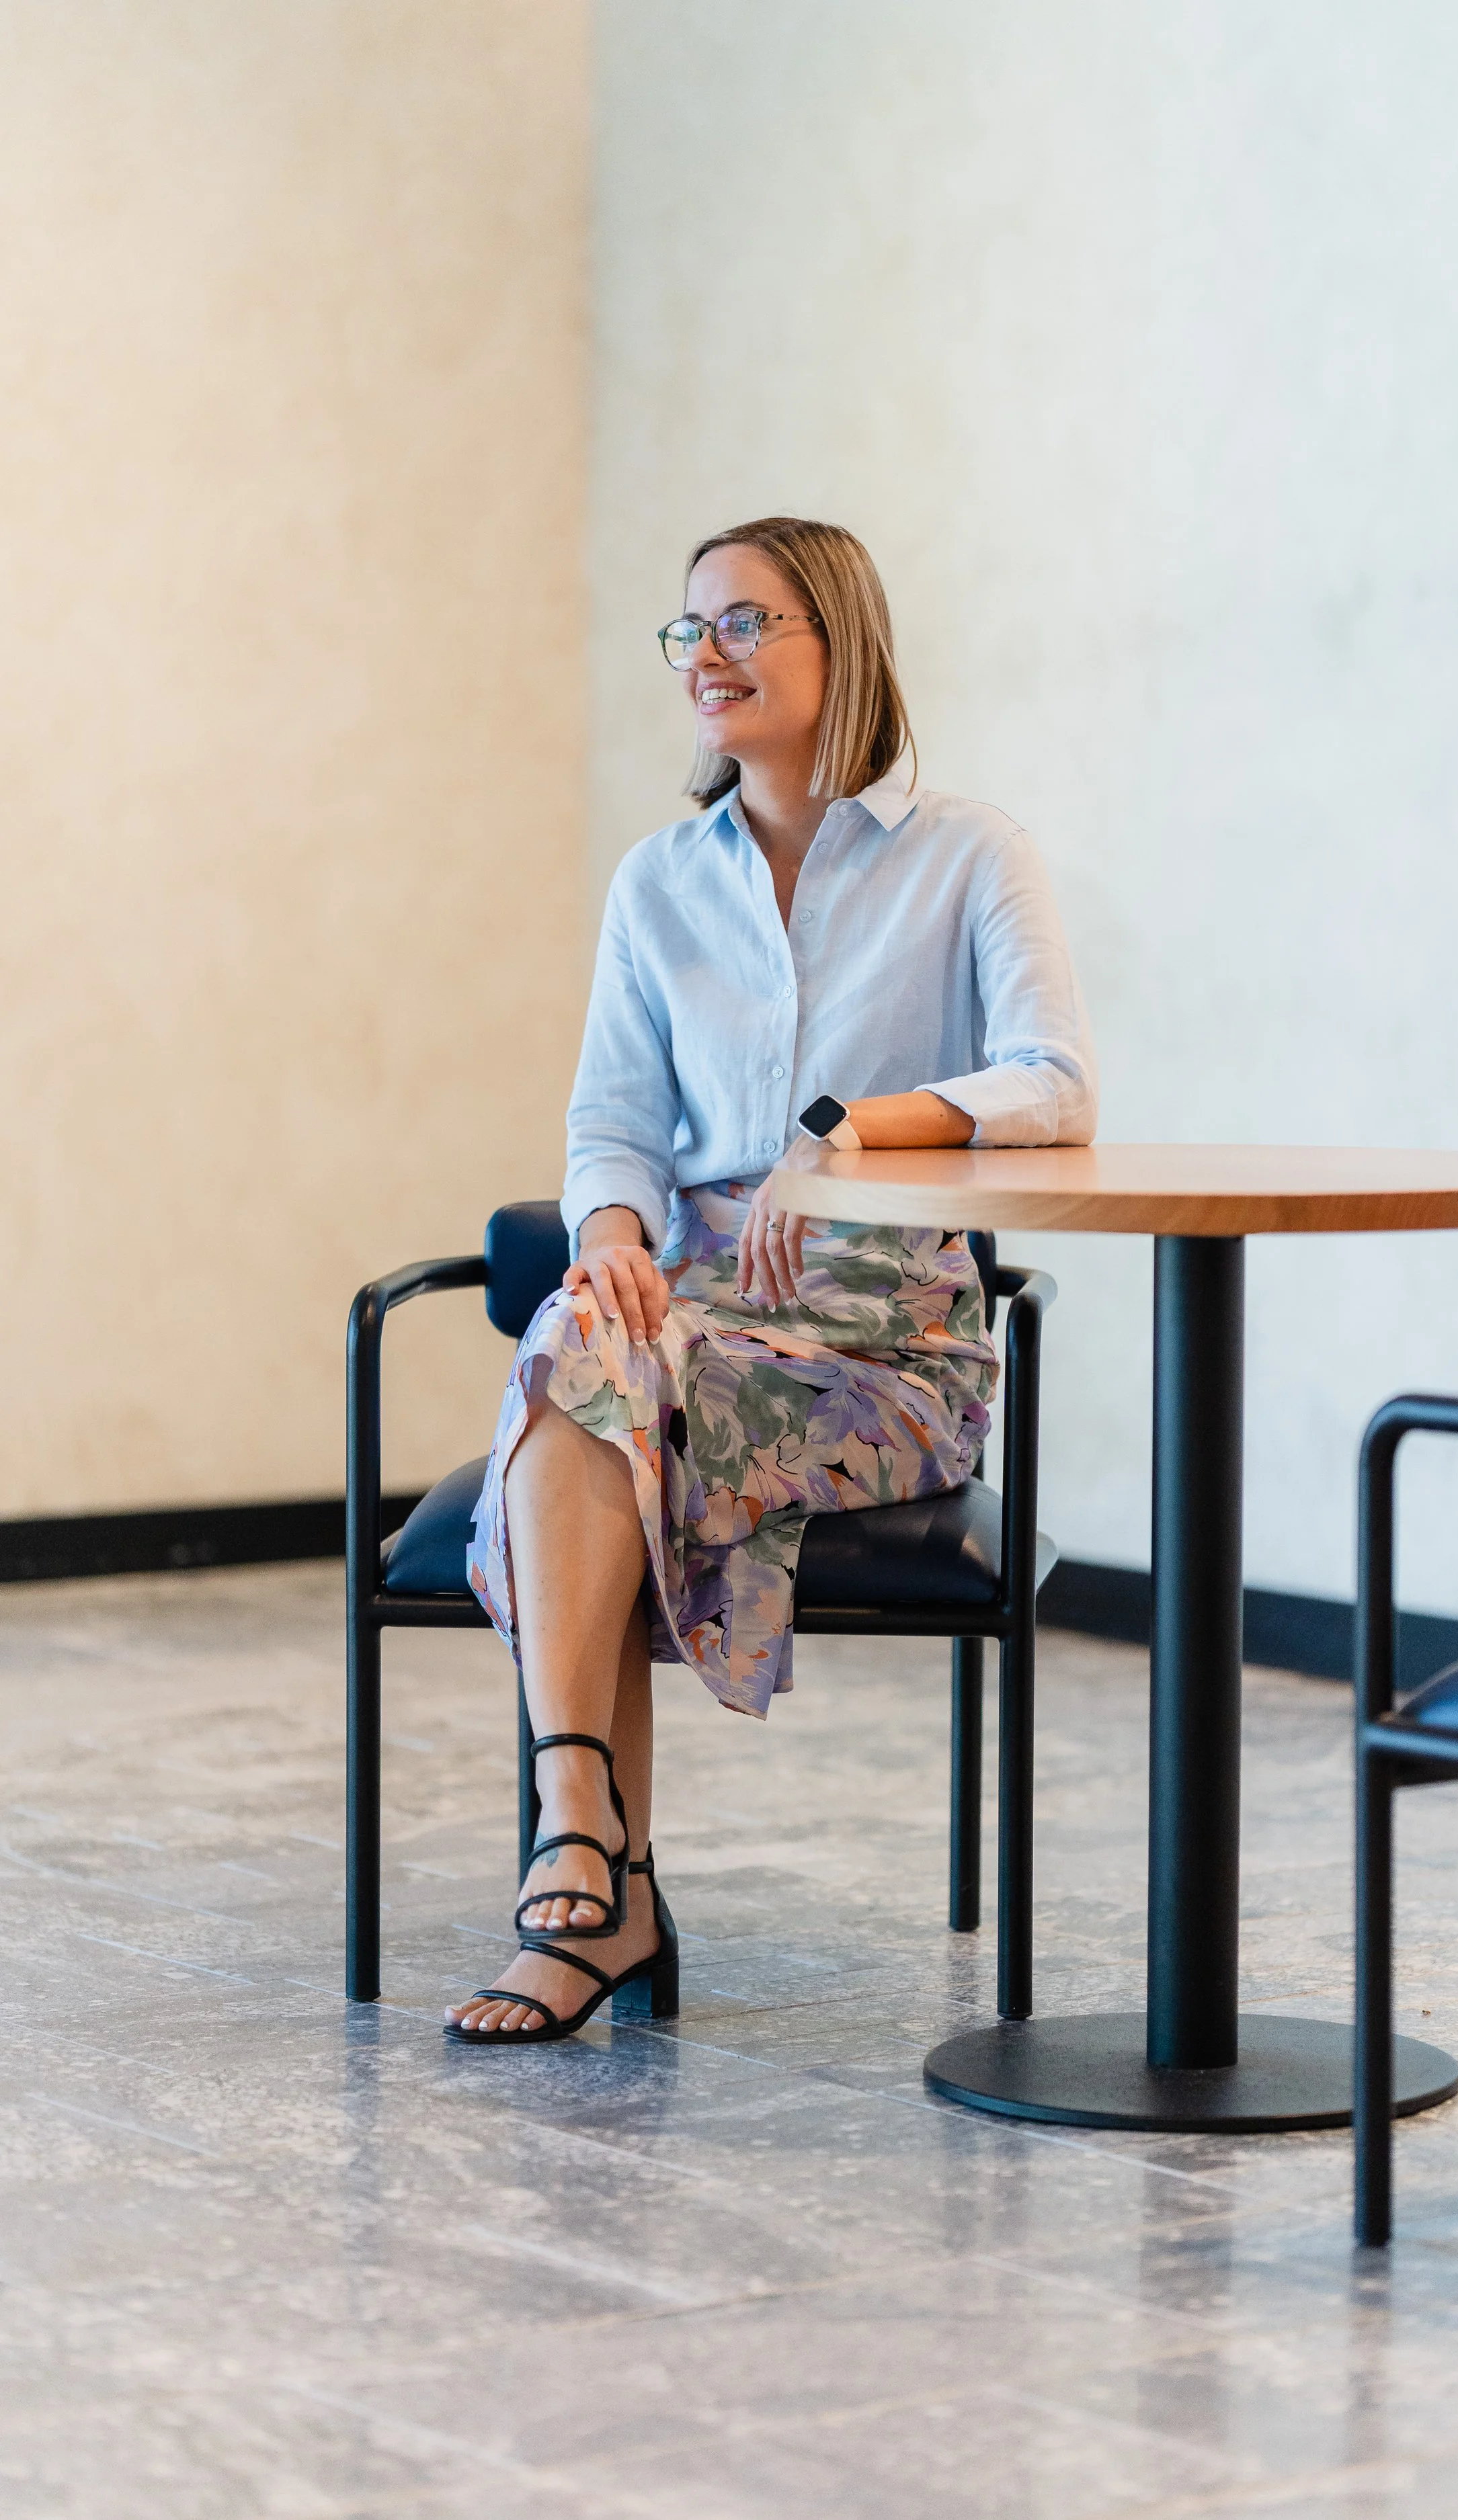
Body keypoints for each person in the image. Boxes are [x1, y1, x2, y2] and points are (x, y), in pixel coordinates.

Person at [446, 516, 1096, 2042]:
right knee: (588, 1340)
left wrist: (852, 1133)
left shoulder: (966, 855)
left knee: (595, 1385)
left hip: (886, 1348)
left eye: (743, 623)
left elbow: (1053, 1083)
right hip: (692, 1316)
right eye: (688, 632)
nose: (704, 658)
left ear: (840, 644)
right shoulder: (658, 883)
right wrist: (613, 1233)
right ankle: (583, 1831)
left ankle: (591, 1883)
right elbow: (609, 1122)